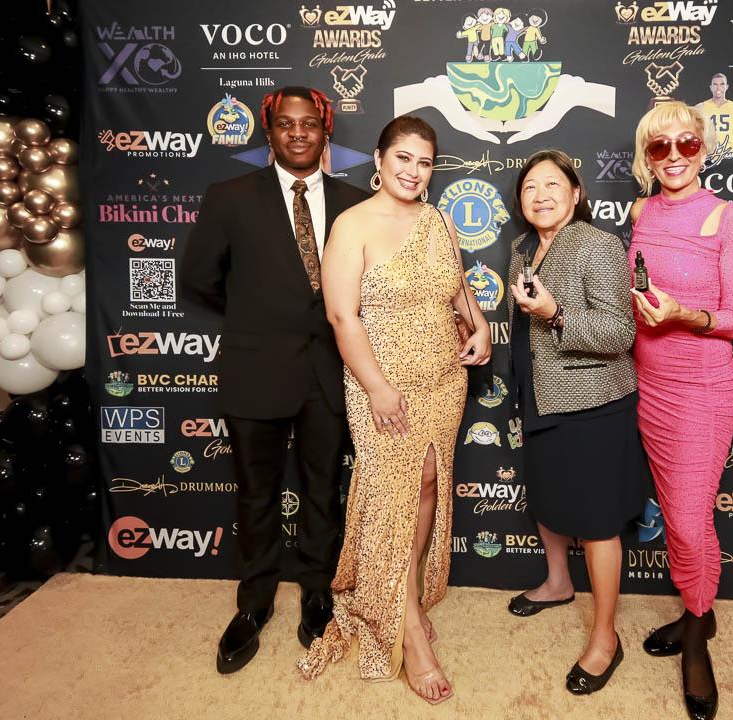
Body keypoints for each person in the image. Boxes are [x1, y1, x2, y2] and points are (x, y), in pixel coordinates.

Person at [297, 116, 491, 705]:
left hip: (444, 377)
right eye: (403, 158)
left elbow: (456, 287)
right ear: (379, 161)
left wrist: (479, 323)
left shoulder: (438, 221)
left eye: (424, 162)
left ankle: (404, 596)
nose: (413, 171)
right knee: (392, 496)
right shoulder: (352, 224)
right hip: (382, 381)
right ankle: (405, 625)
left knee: (428, 483)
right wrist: (377, 386)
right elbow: (342, 316)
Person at [180, 86, 370, 675]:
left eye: (309, 123)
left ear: (325, 131)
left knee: (323, 490)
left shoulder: (355, 203)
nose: (298, 132)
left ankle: (317, 593)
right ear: (269, 132)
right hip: (254, 367)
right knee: (255, 493)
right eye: (286, 124)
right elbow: (198, 280)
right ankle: (255, 601)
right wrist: (255, 318)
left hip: (329, 372)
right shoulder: (230, 197)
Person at [629, 101, 733, 720]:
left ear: (704, 148)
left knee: (684, 519)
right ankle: (695, 610)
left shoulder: (730, 217)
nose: (675, 155)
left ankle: (698, 634)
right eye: (660, 146)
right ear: (647, 157)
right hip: (647, 386)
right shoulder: (641, 213)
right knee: (685, 513)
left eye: (687, 143)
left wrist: (684, 314)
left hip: (702, 388)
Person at [505, 149, 648, 695]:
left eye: (552, 185)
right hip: (539, 397)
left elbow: (619, 333)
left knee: (596, 521)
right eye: (530, 187)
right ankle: (558, 582)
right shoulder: (522, 249)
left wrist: (556, 313)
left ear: (576, 193)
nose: (540, 195)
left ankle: (605, 636)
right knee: (548, 499)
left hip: (592, 404)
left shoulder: (598, 244)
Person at [694, 73, 733, 153]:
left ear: (726, 87)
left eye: (722, 84)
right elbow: (694, 136)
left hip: (730, 155)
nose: (718, 88)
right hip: (709, 155)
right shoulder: (700, 108)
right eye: (715, 84)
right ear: (711, 87)